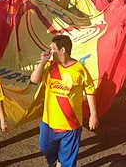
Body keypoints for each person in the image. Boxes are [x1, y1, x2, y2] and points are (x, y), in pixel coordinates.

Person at [30, 35, 99, 167]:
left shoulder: (79, 69)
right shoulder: (50, 66)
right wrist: (43, 61)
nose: (51, 51)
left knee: (68, 161)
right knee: (45, 148)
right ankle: (57, 161)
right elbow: (34, 79)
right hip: (49, 123)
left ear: (62, 50)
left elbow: (90, 91)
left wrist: (93, 115)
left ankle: (63, 162)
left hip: (71, 126)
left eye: (53, 48)